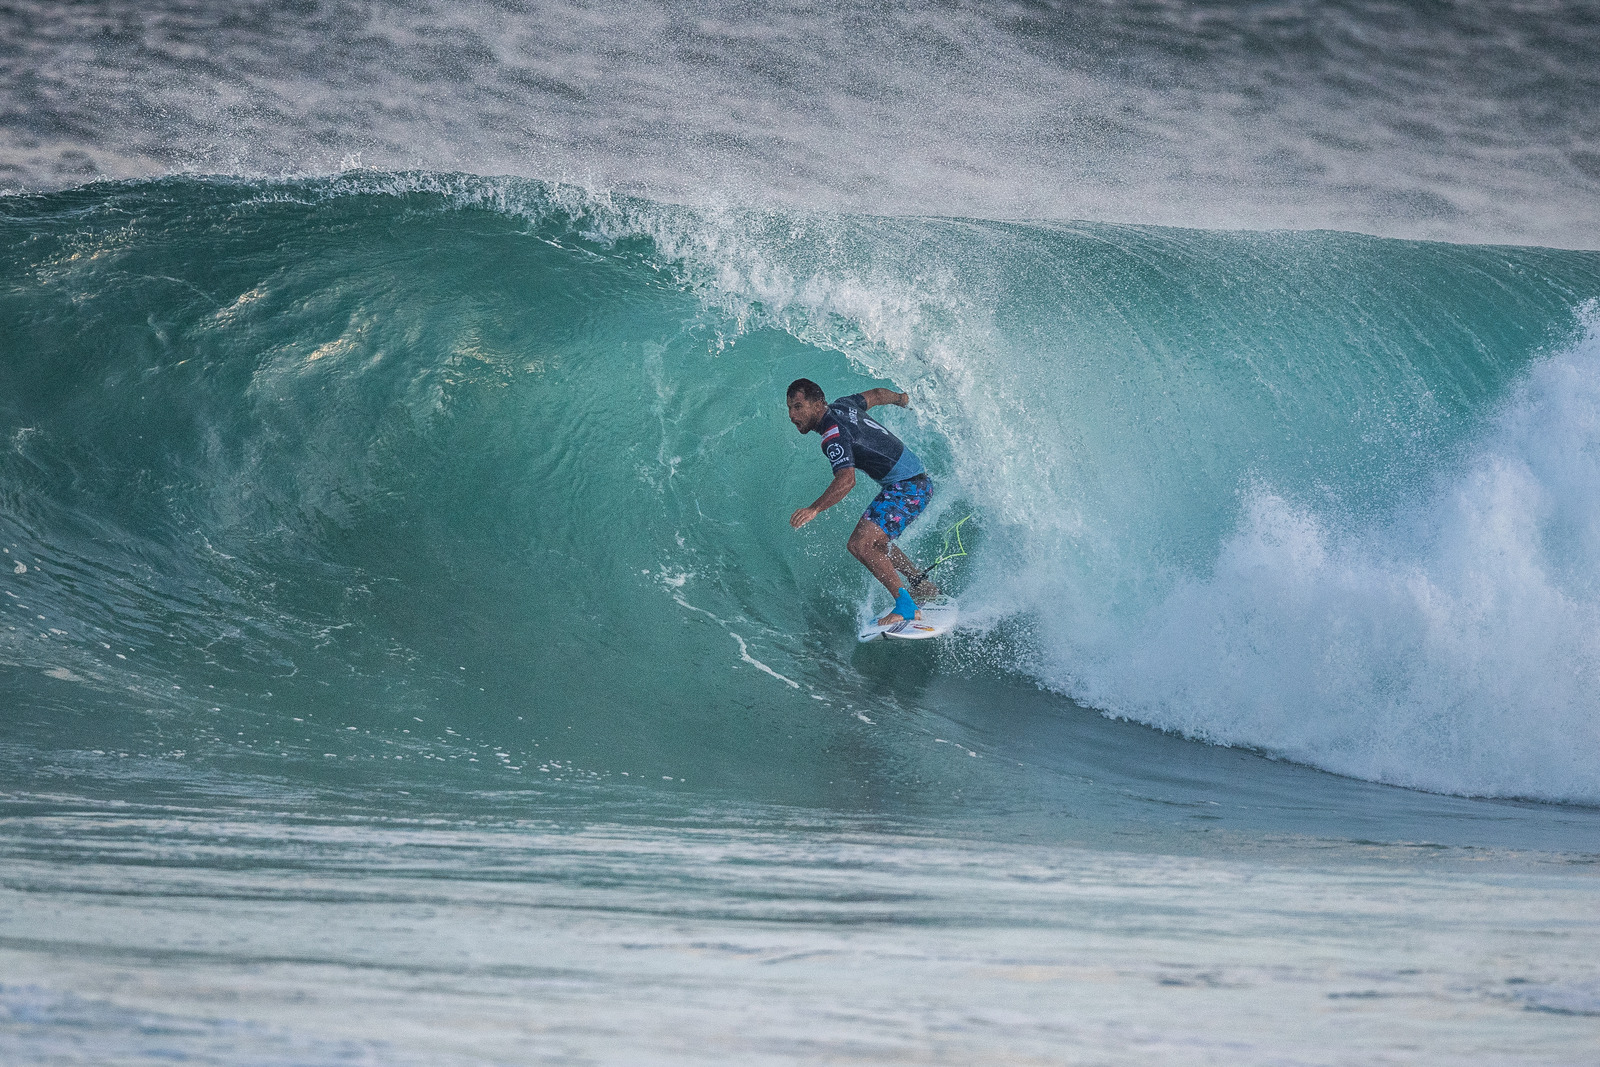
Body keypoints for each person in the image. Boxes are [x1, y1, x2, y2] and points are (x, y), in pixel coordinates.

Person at [785, 378, 939, 627]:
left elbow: (846, 480)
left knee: (860, 545)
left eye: (798, 407)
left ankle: (906, 607)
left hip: (909, 487)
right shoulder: (844, 405)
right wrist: (903, 399)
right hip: (913, 479)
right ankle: (922, 585)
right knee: (876, 541)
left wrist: (814, 509)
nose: (792, 415)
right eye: (790, 408)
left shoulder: (832, 435)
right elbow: (877, 394)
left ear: (818, 404)